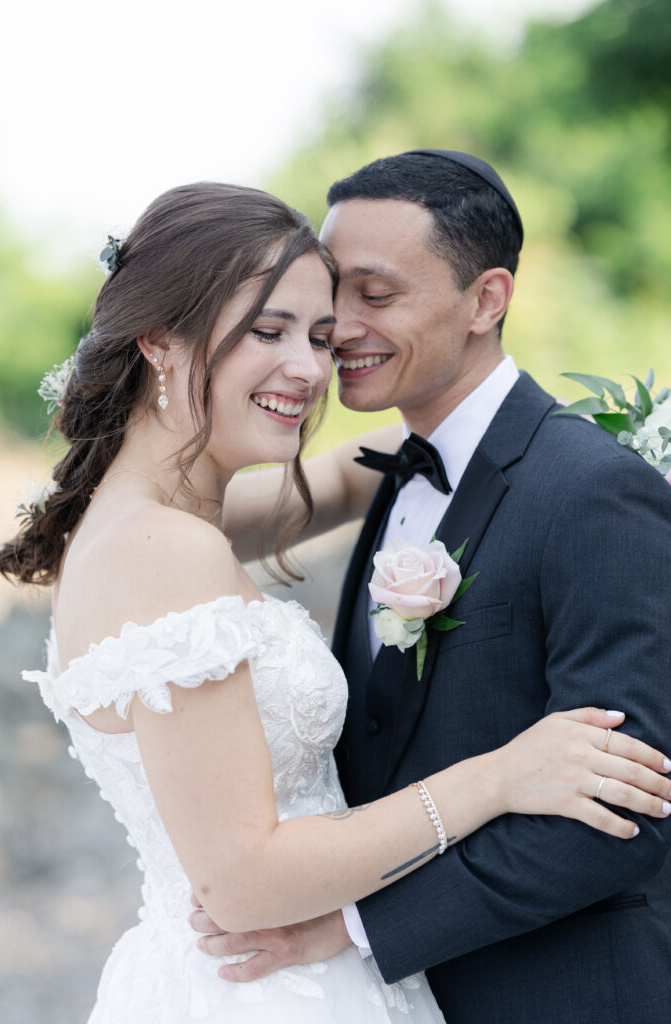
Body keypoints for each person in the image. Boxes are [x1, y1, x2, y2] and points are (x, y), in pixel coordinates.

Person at [0, 181, 670, 1024]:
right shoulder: (166, 548)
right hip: (267, 985)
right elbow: (242, 878)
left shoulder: (164, 514)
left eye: (322, 333)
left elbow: (371, 466)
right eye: (268, 331)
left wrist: (547, 432)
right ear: (159, 341)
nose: (313, 365)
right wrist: (499, 776)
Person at [190, 154, 671, 1024]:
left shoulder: (593, 491)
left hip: (560, 993)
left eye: (375, 295)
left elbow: (627, 809)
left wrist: (352, 924)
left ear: (486, 300)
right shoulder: (395, 469)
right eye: (335, 293)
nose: (338, 326)